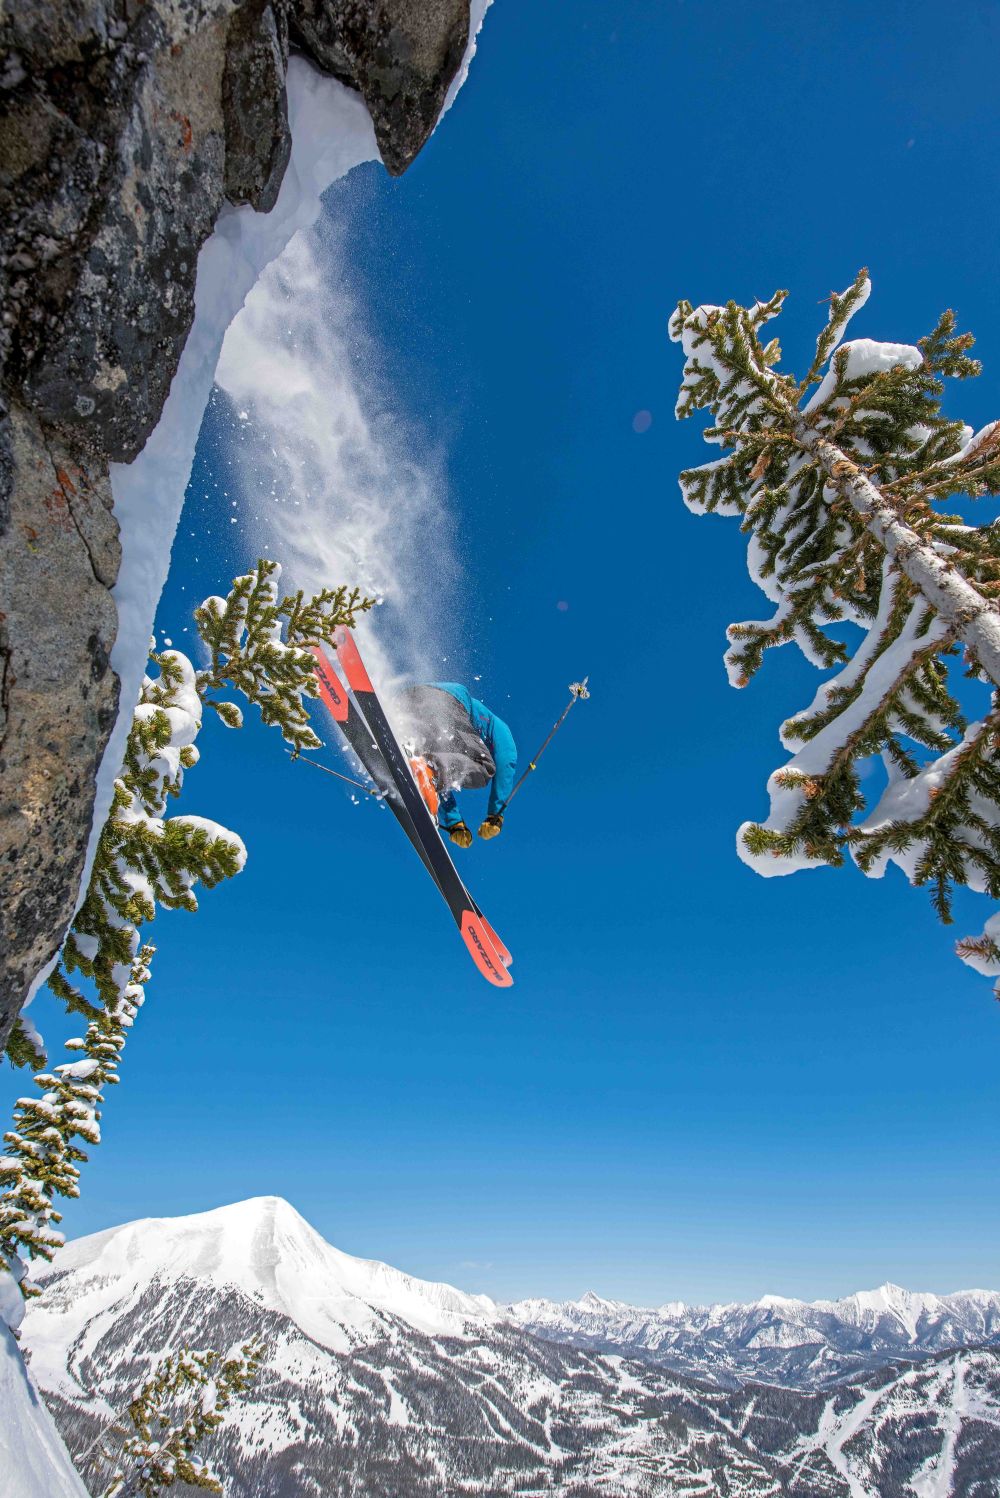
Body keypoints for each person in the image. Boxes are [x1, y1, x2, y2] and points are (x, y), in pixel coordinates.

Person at [394, 683, 517, 848]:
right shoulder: (495, 726)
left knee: (435, 767)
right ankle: (427, 768)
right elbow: (506, 760)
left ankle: (408, 757)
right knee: (484, 768)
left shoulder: (450, 751)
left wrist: (455, 822)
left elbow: (443, 774)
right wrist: (496, 814)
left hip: (408, 699)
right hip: (446, 701)